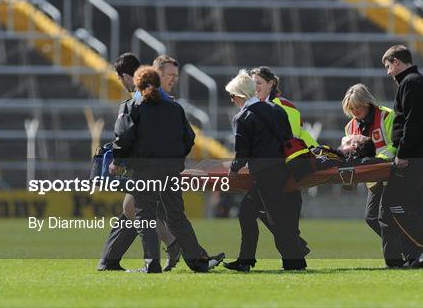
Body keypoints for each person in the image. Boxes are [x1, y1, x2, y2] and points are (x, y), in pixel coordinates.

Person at [111, 65, 224, 273]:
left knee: (145, 215)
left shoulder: (132, 106)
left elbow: (123, 137)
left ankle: (151, 264)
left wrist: (117, 161)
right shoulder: (174, 107)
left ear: (138, 84)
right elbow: (189, 138)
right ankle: (199, 263)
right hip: (171, 169)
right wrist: (176, 157)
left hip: (145, 169)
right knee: (176, 216)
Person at [96, 53, 188, 272]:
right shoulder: (159, 96)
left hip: (151, 165)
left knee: (139, 209)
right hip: (163, 163)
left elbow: (130, 132)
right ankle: (179, 248)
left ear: (127, 76)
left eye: (121, 79)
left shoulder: (142, 96)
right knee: (135, 209)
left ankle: (175, 250)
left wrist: (120, 157)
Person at [223, 67, 311, 272]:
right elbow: (288, 137)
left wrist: (234, 170)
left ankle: (294, 262)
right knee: (249, 212)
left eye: (232, 96)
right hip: (285, 168)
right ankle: (246, 260)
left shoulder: (242, 117)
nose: (232, 100)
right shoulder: (276, 109)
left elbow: (242, 152)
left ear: (239, 95)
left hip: (265, 173)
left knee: (275, 219)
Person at [380, 45, 423, 268]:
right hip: (421, 154)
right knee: (414, 206)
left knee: (391, 204)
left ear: (397, 62)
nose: (388, 72)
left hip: (413, 156)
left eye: (388, 66)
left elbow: (412, 122)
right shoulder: (415, 81)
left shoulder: (411, 83)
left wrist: (403, 153)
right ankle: (419, 259)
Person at [341, 84, 396, 238]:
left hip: (391, 173)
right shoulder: (349, 127)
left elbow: (396, 143)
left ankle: (399, 251)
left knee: (387, 217)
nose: (355, 111)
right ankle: (400, 247)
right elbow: (351, 154)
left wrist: (378, 160)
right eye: (351, 108)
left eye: (358, 106)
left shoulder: (386, 116)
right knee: (371, 218)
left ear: (367, 102)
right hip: (372, 178)